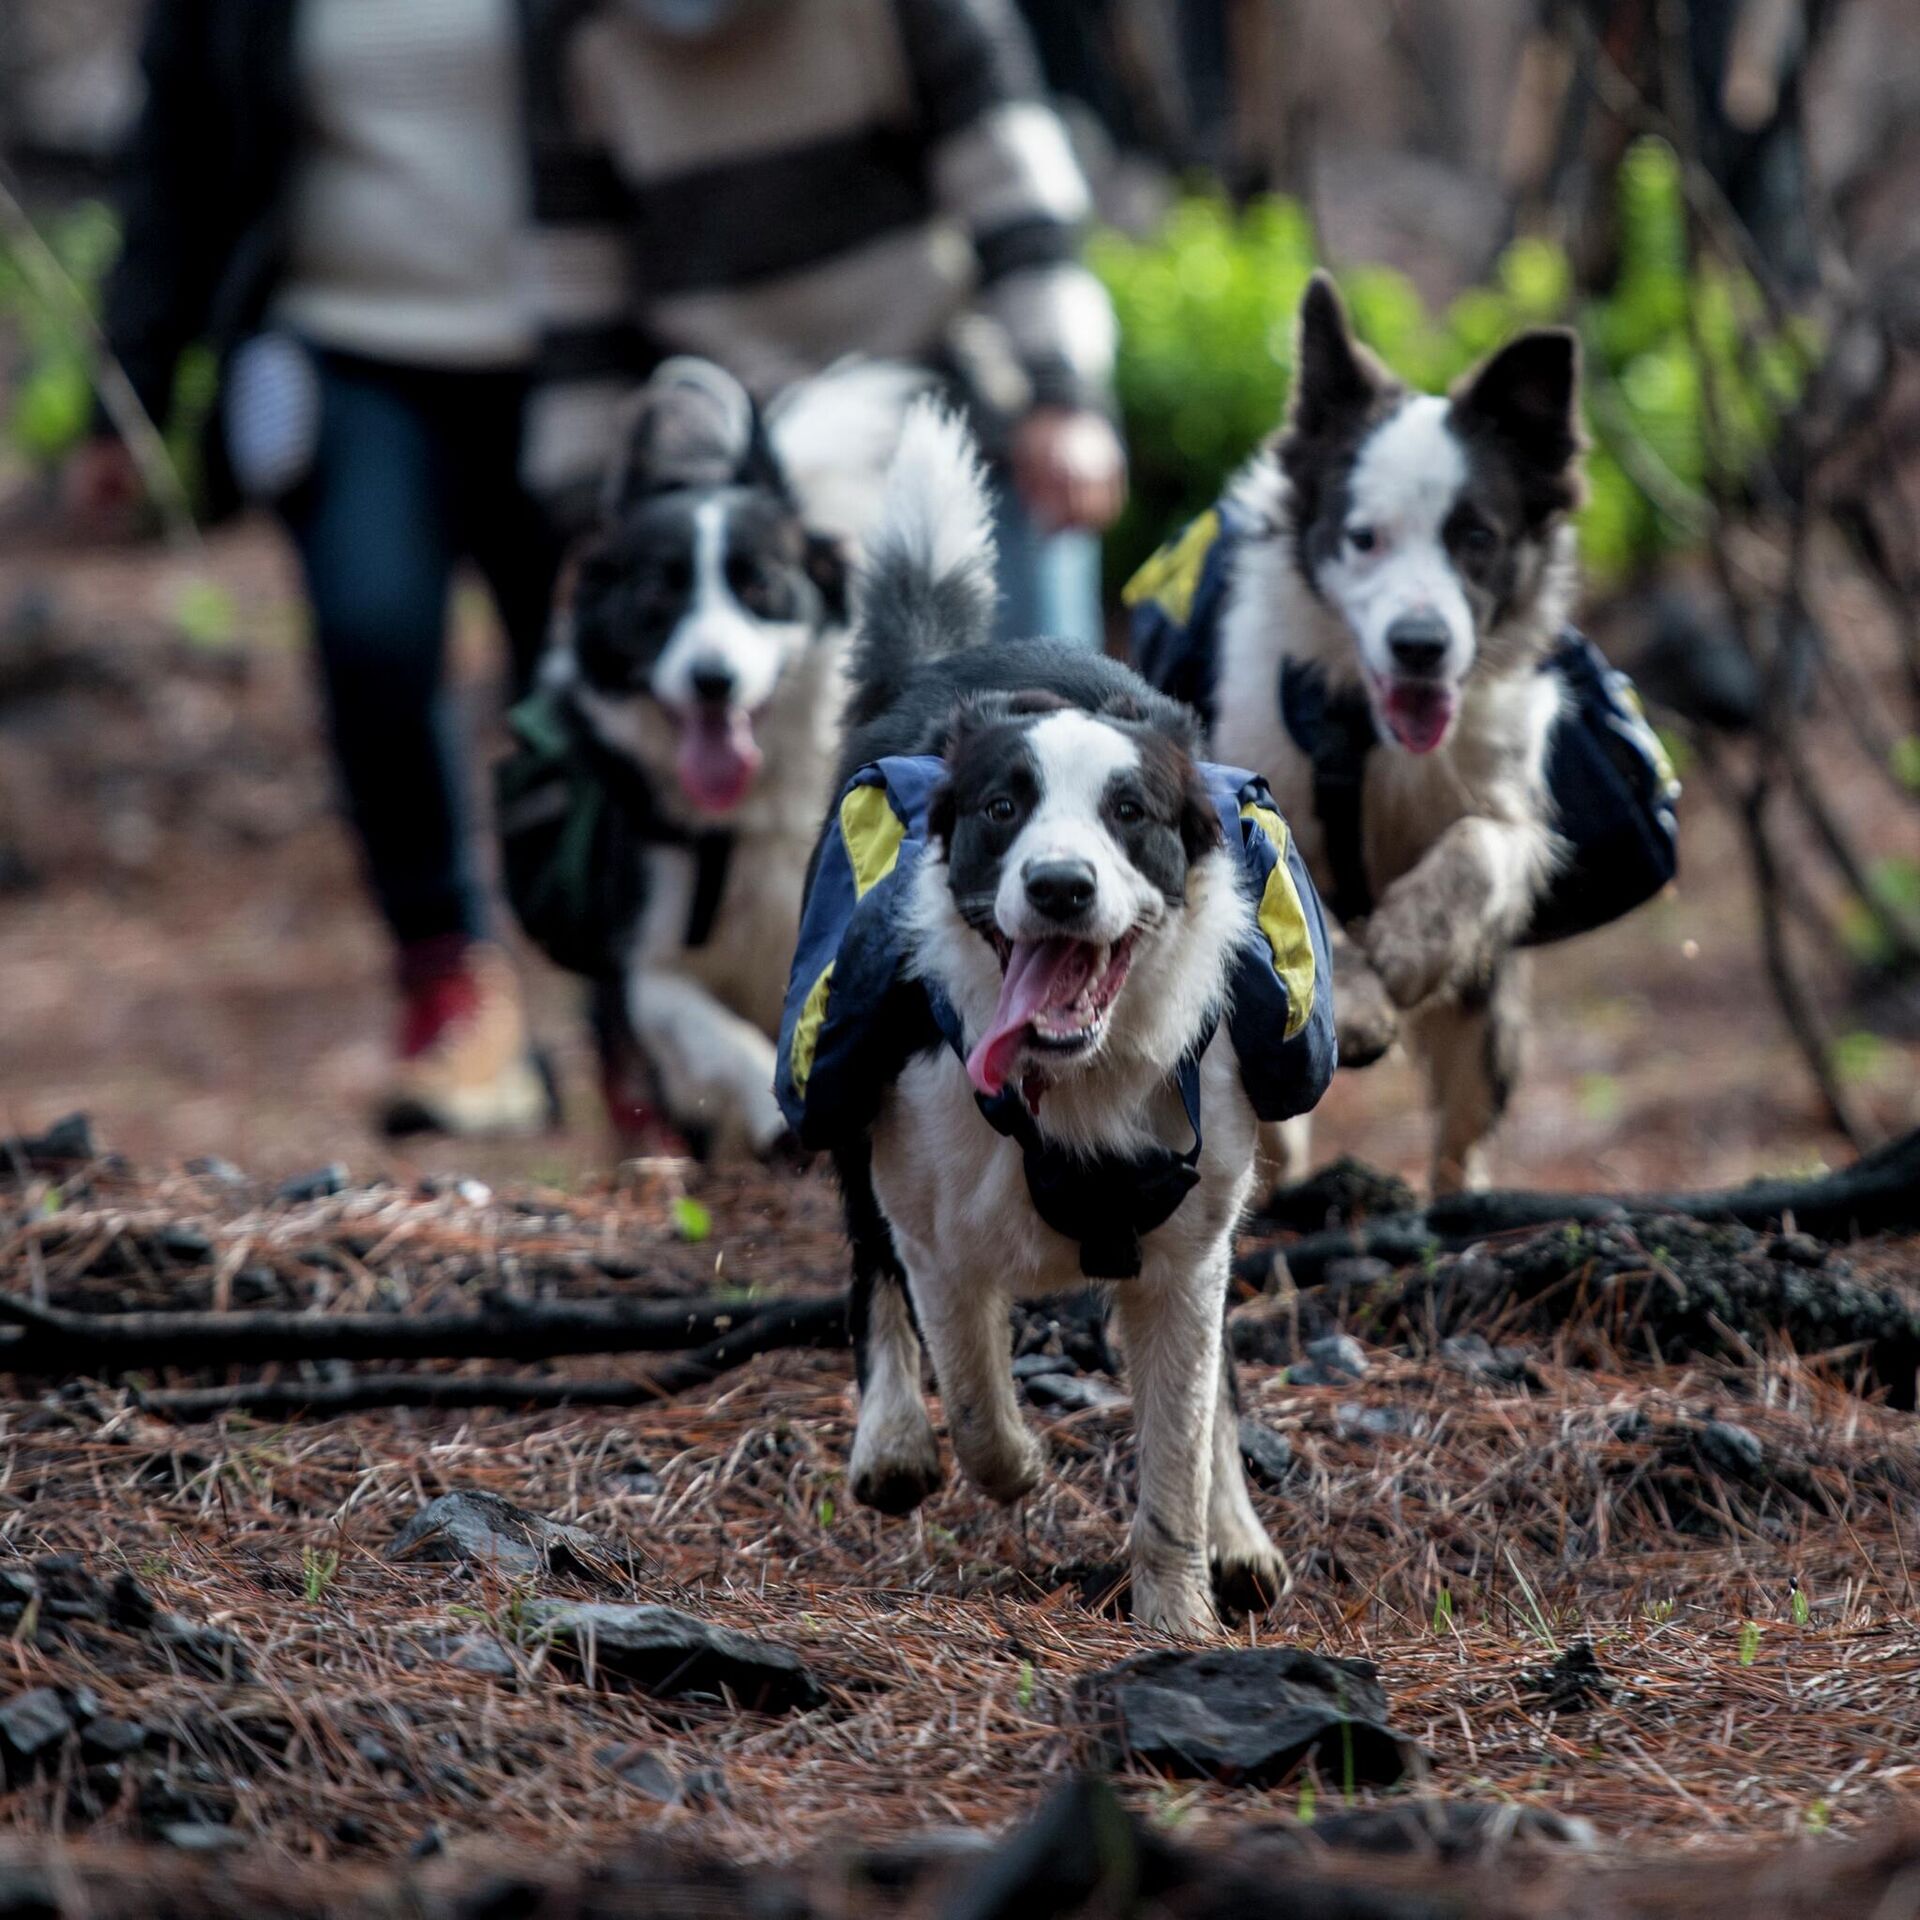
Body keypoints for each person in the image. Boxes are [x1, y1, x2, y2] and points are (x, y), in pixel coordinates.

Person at [68, 0, 564, 1140]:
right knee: (373, 632)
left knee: (582, 687)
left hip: (566, 351)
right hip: (345, 353)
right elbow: (177, 163)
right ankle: (450, 987)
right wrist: (126, 385)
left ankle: (634, 1015)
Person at [519, 0, 1127, 648]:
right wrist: (587, 514)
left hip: (943, 412)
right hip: (735, 464)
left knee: (1033, 697)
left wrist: (1064, 395)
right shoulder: (577, 31)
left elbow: (1015, 193)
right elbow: (579, 282)